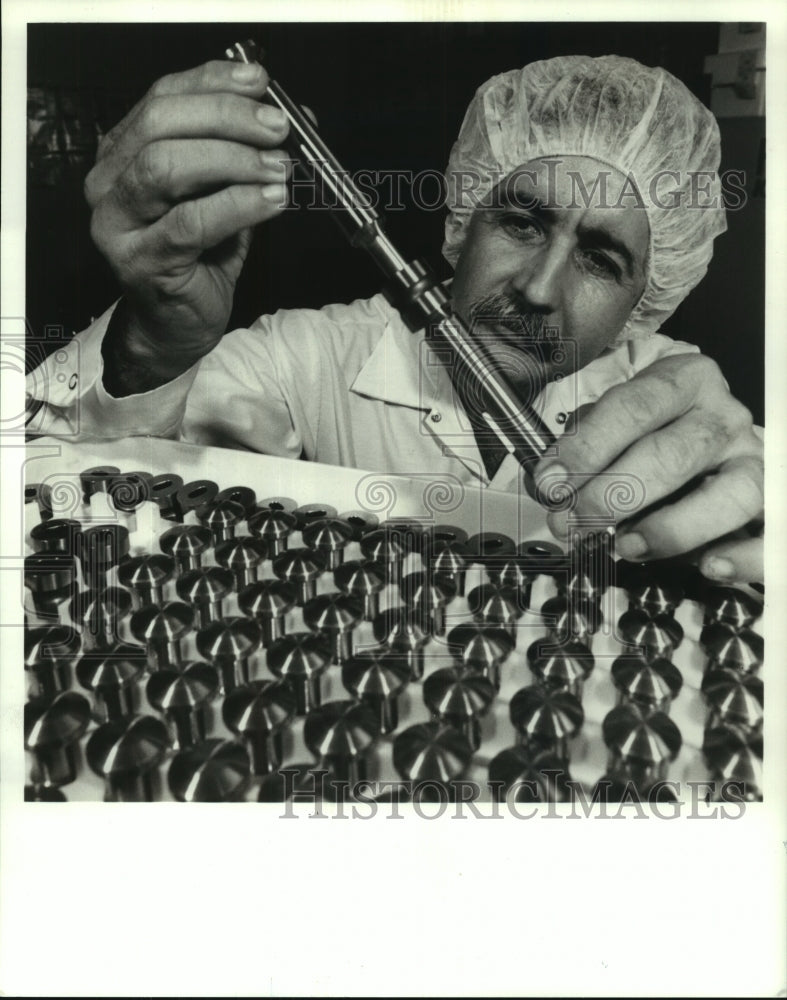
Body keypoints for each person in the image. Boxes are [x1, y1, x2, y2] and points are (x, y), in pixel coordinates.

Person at [26, 54, 764, 584]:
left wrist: (757, 521)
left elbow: (746, 502)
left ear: (645, 299)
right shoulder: (301, 355)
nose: (539, 289)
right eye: (522, 223)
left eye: (600, 261)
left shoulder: (668, 393)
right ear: (464, 223)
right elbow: (48, 480)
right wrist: (156, 339)